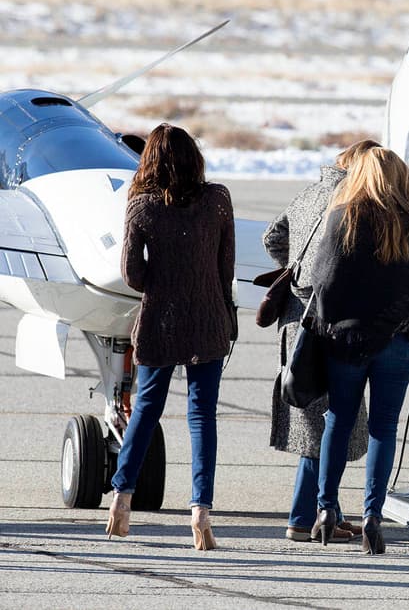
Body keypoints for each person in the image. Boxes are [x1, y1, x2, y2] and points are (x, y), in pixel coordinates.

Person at [309, 148, 409, 553]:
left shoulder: (344, 214)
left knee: (338, 420)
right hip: (399, 341)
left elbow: (324, 282)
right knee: (383, 428)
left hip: (347, 340)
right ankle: (373, 514)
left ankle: (325, 509)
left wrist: (333, 321)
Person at [108, 124, 236, 551]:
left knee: (146, 410)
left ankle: (121, 500)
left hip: (160, 318)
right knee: (201, 417)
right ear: (193, 157)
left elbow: (132, 274)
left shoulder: (141, 205)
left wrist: (163, 282)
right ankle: (200, 510)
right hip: (208, 318)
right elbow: (225, 267)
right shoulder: (218, 200)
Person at [262, 139, 379, 543]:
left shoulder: (310, 192)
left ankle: (330, 510)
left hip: (297, 320)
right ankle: (301, 516)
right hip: (326, 322)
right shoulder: (353, 199)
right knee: (325, 424)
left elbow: (271, 237)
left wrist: (292, 269)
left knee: (317, 416)